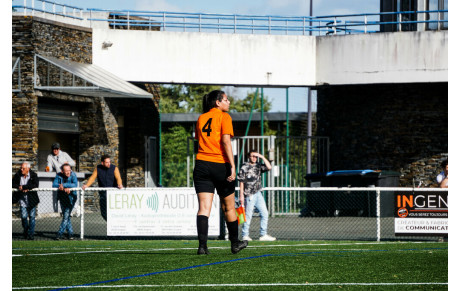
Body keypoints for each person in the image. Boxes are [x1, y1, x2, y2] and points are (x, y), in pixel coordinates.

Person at [193, 90, 248, 255]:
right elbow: (225, 141)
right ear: (218, 102)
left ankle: (202, 247)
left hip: (201, 164)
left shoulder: (201, 118)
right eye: (226, 99)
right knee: (229, 207)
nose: (228, 102)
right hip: (219, 165)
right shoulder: (225, 117)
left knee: (203, 208)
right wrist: (232, 164)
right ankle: (235, 244)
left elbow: (199, 140)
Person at [238, 150, 276, 241]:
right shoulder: (245, 166)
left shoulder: (258, 165)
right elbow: (241, 181)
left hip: (258, 193)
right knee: (248, 215)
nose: (254, 158)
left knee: (265, 213)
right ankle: (245, 235)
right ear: (249, 157)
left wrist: (262, 156)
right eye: (252, 156)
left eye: (256, 156)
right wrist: (241, 195)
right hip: (249, 194)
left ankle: (263, 234)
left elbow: (269, 167)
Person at [81, 155, 123, 221]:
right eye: (107, 162)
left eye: (109, 162)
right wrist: (87, 185)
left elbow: (118, 178)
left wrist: (120, 184)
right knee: (103, 213)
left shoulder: (114, 168)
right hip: (103, 194)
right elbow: (92, 178)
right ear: (102, 163)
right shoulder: (98, 168)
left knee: (113, 212)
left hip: (113, 194)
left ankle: (114, 225)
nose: (109, 163)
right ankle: (110, 223)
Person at [12, 162, 40, 240]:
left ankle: (31, 234)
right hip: (22, 200)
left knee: (32, 217)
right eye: (21, 168)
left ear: (28, 169)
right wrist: (19, 187)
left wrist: (25, 187)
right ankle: (26, 230)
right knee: (24, 217)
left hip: (31, 199)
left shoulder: (33, 175)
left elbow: (35, 184)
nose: (21, 170)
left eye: (23, 168)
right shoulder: (18, 175)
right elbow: (12, 183)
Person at [53, 164, 78, 240]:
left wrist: (64, 185)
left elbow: (75, 184)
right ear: (62, 171)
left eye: (69, 170)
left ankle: (59, 234)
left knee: (66, 215)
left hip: (71, 198)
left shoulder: (73, 175)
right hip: (62, 197)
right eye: (66, 171)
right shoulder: (58, 175)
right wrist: (62, 187)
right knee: (66, 216)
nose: (68, 172)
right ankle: (70, 234)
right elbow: (54, 184)